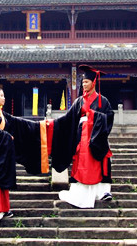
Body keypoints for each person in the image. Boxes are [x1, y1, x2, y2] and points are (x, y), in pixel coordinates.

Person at [0, 86, 49, 228]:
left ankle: (3, 208)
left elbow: (17, 122)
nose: (4, 98)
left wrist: (39, 126)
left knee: (1, 181)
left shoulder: (0, 112)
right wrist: (7, 136)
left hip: (2, 152)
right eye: (1, 95)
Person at [47, 65, 114, 208]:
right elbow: (68, 119)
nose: (84, 85)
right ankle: (80, 192)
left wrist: (94, 116)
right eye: (82, 82)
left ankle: (103, 192)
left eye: (86, 82)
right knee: (81, 162)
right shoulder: (79, 102)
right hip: (81, 138)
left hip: (97, 138)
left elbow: (109, 118)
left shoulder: (104, 101)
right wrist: (52, 124)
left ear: (93, 82)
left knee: (101, 162)